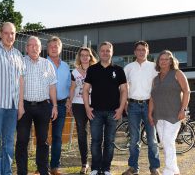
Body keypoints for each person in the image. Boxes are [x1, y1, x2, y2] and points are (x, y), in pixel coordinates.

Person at [0, 22, 25, 175]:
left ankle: (6, 172)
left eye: (12, 33)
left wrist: (21, 105)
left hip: (13, 106)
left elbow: (21, 81)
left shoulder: (18, 54)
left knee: (9, 142)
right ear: (0, 34)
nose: (10, 36)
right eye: (6, 33)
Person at [83, 41, 128, 175]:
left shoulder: (119, 70)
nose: (105, 53)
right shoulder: (92, 69)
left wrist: (121, 109)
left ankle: (106, 168)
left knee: (110, 142)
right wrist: (87, 108)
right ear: (99, 52)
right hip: (95, 111)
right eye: (102, 50)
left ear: (112, 52)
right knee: (96, 141)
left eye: (108, 50)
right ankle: (95, 168)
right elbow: (85, 90)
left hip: (113, 112)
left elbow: (124, 90)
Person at [15, 36, 58, 175]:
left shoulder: (47, 64)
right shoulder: (20, 62)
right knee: (22, 140)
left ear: (40, 48)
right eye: (31, 45)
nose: (34, 48)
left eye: (37, 46)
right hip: (24, 106)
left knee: (43, 141)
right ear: (26, 48)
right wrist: (19, 105)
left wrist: (55, 106)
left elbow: (52, 87)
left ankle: (43, 171)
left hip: (43, 107)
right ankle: (22, 172)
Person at [148, 50, 190, 175]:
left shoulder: (177, 73)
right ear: (158, 62)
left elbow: (187, 91)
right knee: (165, 143)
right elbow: (152, 98)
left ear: (171, 61)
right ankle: (174, 170)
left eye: (167, 59)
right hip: (159, 116)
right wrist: (150, 114)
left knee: (168, 141)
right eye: (161, 59)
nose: (164, 61)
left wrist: (183, 109)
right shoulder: (155, 79)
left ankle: (169, 171)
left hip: (174, 114)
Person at [122, 41, 161, 175]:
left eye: (143, 50)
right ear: (135, 52)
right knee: (134, 139)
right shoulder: (128, 68)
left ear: (147, 52)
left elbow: (157, 87)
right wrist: (125, 102)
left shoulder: (154, 67)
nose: (141, 52)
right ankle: (133, 168)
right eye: (138, 50)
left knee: (152, 139)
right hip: (132, 105)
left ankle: (154, 167)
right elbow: (123, 87)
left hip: (149, 105)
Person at [67, 47, 97, 174]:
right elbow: (73, 88)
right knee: (81, 134)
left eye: (87, 55)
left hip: (94, 104)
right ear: (79, 57)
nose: (85, 57)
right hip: (78, 104)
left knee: (96, 134)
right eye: (82, 55)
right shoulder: (74, 72)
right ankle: (84, 163)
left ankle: (96, 163)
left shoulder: (96, 70)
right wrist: (69, 101)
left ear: (90, 57)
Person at [47, 36, 71, 175]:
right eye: (51, 46)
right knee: (42, 136)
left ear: (60, 48)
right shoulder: (43, 63)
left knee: (57, 137)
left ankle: (54, 167)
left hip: (61, 106)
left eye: (56, 46)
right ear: (47, 49)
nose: (54, 48)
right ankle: (42, 166)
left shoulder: (66, 66)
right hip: (44, 105)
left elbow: (69, 86)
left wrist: (68, 99)